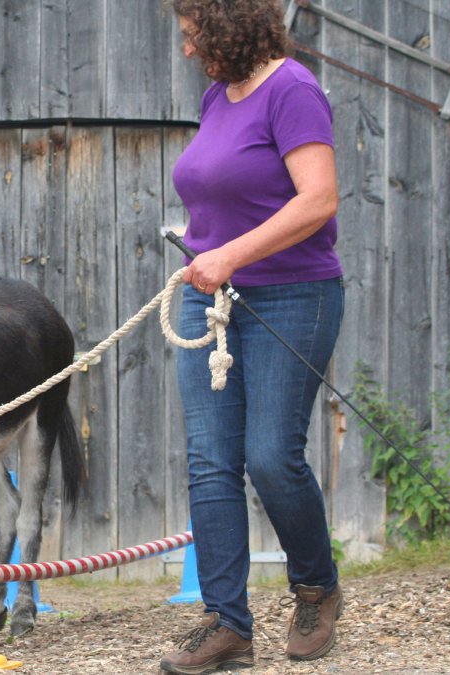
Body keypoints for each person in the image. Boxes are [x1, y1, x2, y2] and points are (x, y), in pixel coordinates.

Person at [160, 1, 345, 673]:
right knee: (210, 461)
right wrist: (211, 254)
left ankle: (317, 587)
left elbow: (318, 198)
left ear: (225, 27)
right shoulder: (218, 94)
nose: (185, 51)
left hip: (293, 295)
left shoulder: (293, 89)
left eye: (191, 36)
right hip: (211, 300)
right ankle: (227, 622)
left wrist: (232, 254)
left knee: (270, 456)